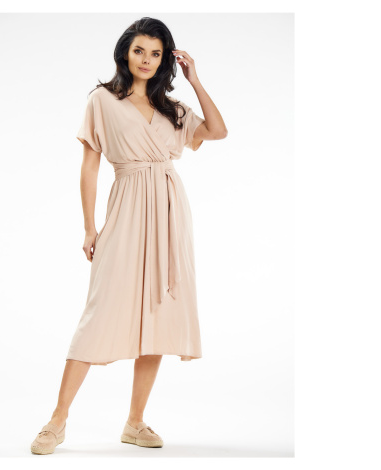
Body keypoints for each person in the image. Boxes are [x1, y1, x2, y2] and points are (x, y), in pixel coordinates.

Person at [30, 17, 227, 455]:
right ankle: (57, 420)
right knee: (99, 312)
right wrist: (89, 226)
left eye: (156, 53)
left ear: (164, 60)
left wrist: (195, 81)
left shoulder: (172, 108)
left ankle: (135, 422)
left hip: (170, 212)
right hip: (126, 206)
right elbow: (89, 165)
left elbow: (217, 131)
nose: (146, 60)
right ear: (125, 53)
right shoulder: (102, 100)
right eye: (140, 50)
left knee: (159, 312)